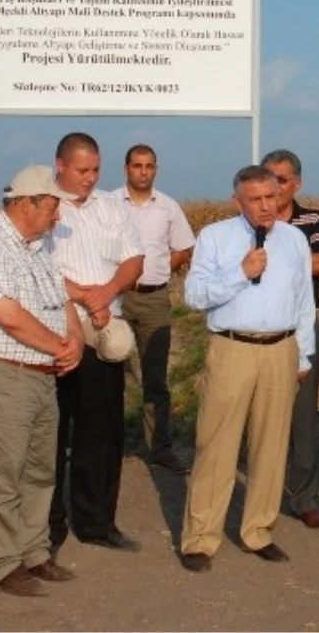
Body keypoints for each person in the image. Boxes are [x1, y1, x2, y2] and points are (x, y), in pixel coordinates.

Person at [178, 165, 316, 573]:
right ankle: (200, 538)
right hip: (232, 349)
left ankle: (258, 531)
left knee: (270, 448)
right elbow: (194, 296)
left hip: (281, 350)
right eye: (254, 199)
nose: (265, 206)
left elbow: (305, 301)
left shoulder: (294, 240)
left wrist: (303, 354)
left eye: (271, 197)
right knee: (216, 445)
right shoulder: (215, 238)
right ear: (237, 201)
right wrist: (240, 273)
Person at [0, 165, 85, 598]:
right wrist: (58, 346)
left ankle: (34, 551)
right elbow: (8, 315)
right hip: (4, 373)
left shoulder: (38, 249)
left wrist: (76, 339)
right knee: (1, 471)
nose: (57, 217)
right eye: (52, 207)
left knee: (38, 470)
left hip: (40, 375)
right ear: (27, 203)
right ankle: (2, 562)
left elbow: (60, 299)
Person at [47, 133, 145, 552]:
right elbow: (34, 264)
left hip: (105, 330)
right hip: (53, 331)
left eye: (95, 170)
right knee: (51, 430)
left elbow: (134, 260)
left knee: (101, 431)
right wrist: (80, 294)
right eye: (82, 170)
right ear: (60, 166)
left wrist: (105, 293)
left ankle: (97, 521)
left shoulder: (111, 208)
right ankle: (47, 522)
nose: (90, 178)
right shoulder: (43, 206)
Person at [261, 148, 319, 530]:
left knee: (302, 417)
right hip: (258, 329)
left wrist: (274, 265)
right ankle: (263, 496)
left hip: (301, 326)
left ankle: (303, 497)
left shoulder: (313, 218)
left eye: (282, 179)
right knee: (261, 414)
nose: (274, 187)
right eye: (268, 177)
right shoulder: (252, 217)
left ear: (297, 183)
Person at [114, 144, 195, 476]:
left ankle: (159, 448)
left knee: (155, 377)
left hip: (153, 298)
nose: (143, 171)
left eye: (149, 166)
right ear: (126, 169)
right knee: (111, 375)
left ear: (155, 170)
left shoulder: (168, 208)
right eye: (137, 165)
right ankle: (110, 444)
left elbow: (185, 247)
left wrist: (162, 266)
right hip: (116, 296)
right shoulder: (108, 204)